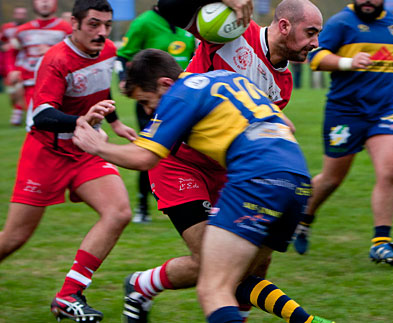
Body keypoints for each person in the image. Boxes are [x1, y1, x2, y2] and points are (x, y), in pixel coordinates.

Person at [73, 49, 335, 323]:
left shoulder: (179, 94)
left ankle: (142, 285)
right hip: (296, 177)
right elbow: (287, 126)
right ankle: (305, 320)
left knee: (212, 285)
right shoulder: (224, 78)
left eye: (146, 101)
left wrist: (98, 146)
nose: (149, 111)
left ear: (164, 83)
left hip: (256, 176)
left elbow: (143, 157)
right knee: (238, 273)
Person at [119, 0, 322, 322]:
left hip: (230, 169)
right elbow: (167, 7)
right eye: (311, 32)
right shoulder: (233, 29)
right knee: (210, 264)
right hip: (178, 161)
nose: (316, 42)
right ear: (285, 26)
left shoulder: (283, 84)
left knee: (253, 265)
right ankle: (141, 285)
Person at [0, 0, 137, 322]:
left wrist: (115, 122)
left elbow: (102, 89)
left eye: (106, 25)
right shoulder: (56, 59)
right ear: (73, 24)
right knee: (14, 238)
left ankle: (68, 296)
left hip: (84, 152)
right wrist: (81, 121)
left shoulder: (107, 50)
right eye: (93, 24)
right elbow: (42, 115)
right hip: (45, 153)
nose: (101, 32)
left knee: (118, 212)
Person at [294, 0, 393, 265]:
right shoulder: (341, 23)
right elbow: (315, 57)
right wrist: (347, 62)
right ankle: (303, 219)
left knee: (389, 170)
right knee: (331, 179)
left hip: (382, 111)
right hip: (345, 112)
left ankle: (381, 241)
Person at [116, 0, 196, 224]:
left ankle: (193, 198)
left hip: (184, 99)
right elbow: (122, 56)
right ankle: (142, 205)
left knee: (189, 149)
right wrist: (123, 79)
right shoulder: (144, 22)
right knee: (151, 148)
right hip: (153, 99)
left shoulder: (191, 23)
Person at [7, 0, 72, 125]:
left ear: (55, 2)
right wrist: (12, 69)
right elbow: (13, 53)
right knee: (34, 125)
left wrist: (53, 51)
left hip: (56, 84)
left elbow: (74, 56)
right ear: (33, 3)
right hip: (30, 84)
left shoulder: (66, 29)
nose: (44, 1)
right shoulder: (22, 31)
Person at [0, 6, 28, 125]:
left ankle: (18, 114)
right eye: (18, 13)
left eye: (22, 14)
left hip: (23, 63)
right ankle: (17, 109)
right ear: (14, 14)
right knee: (12, 92)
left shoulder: (28, 29)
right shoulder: (7, 28)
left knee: (20, 89)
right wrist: (3, 47)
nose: (20, 16)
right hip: (8, 63)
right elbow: (2, 40)